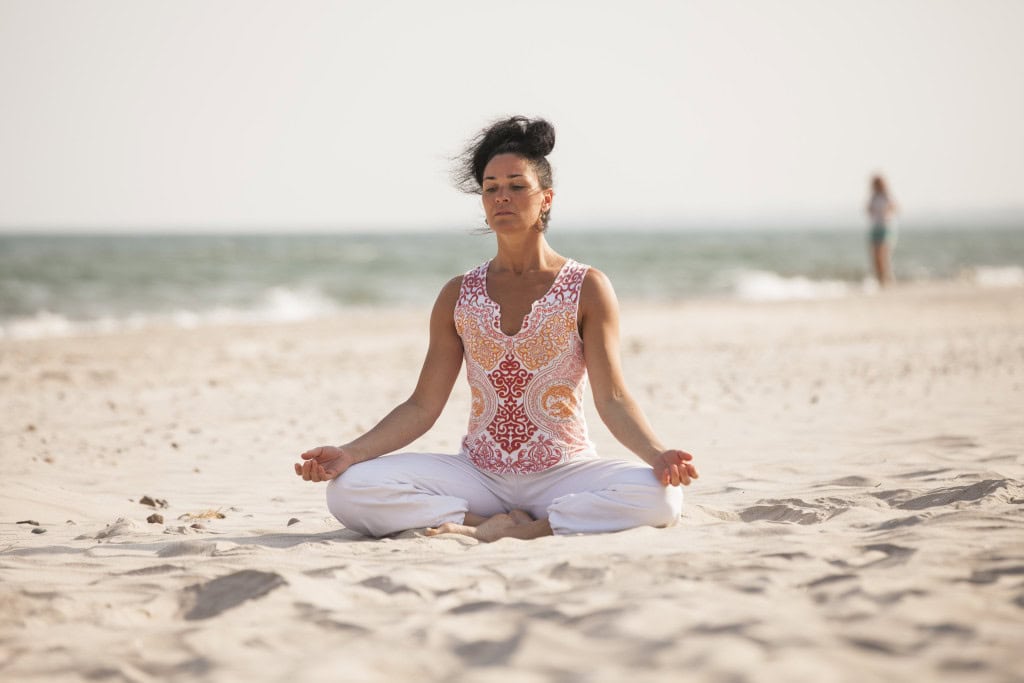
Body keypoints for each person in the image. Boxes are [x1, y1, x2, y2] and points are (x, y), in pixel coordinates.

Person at [293, 116, 698, 542]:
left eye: (517, 186)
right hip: (478, 474)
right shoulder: (458, 294)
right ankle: (482, 525)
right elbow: (422, 406)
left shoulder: (587, 287)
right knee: (348, 490)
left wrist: (657, 455)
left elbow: (612, 397)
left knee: (661, 498)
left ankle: (535, 528)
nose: (502, 196)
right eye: (491, 188)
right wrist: (351, 454)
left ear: (546, 199)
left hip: (563, 470)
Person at [866, 174, 898, 286]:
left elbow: (895, 207)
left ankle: (887, 278)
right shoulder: (873, 197)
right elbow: (867, 209)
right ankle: (880, 279)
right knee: (875, 255)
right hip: (875, 227)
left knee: (883, 254)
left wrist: (887, 211)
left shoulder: (886, 196)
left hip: (885, 227)